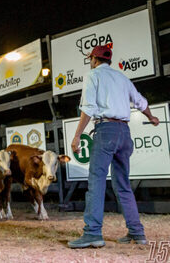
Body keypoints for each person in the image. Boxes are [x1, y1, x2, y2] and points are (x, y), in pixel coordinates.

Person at [68, 45, 159, 249]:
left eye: (90, 58)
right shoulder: (122, 78)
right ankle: (137, 232)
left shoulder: (93, 76)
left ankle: (92, 233)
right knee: (123, 185)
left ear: (94, 59)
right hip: (124, 134)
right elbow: (140, 102)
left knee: (96, 182)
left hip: (106, 130)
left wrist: (77, 136)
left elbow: (89, 107)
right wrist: (151, 117)